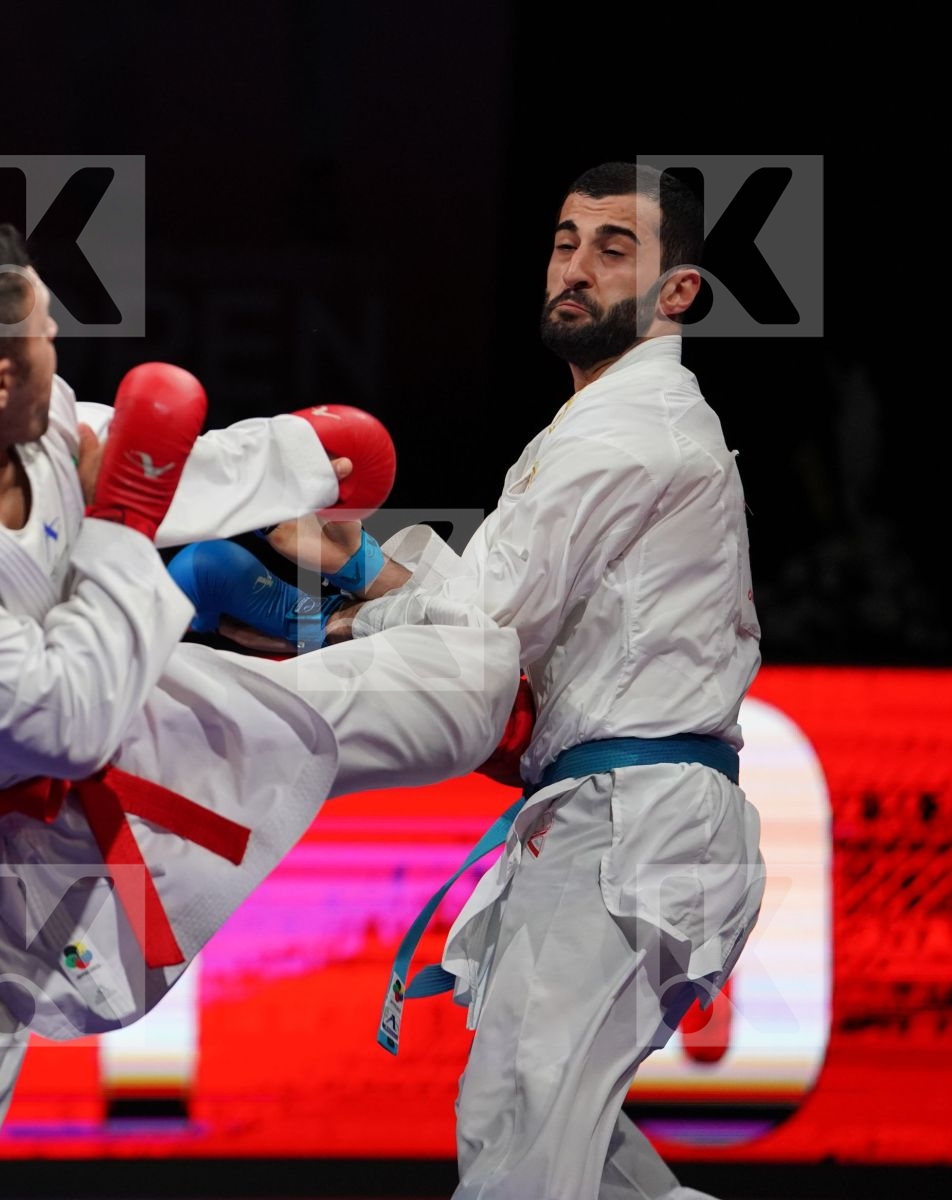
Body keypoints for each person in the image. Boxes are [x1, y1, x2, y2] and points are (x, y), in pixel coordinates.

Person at [0, 224, 524, 1198]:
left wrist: (299, 458)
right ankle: (322, 615)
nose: (61, 348)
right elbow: (70, 714)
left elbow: (119, 450)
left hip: (123, 735)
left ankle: (479, 689)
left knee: (398, 704)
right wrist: (131, 522)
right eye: (46, 335)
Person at [211, 163, 764, 1200]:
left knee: (517, 1135)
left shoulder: (630, 428)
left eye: (614, 247)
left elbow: (486, 620)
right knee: (574, 1156)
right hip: (625, 813)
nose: (577, 266)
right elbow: (507, 640)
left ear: (677, 291)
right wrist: (336, 618)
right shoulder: (599, 424)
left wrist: (357, 566)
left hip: (629, 820)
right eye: (565, 241)